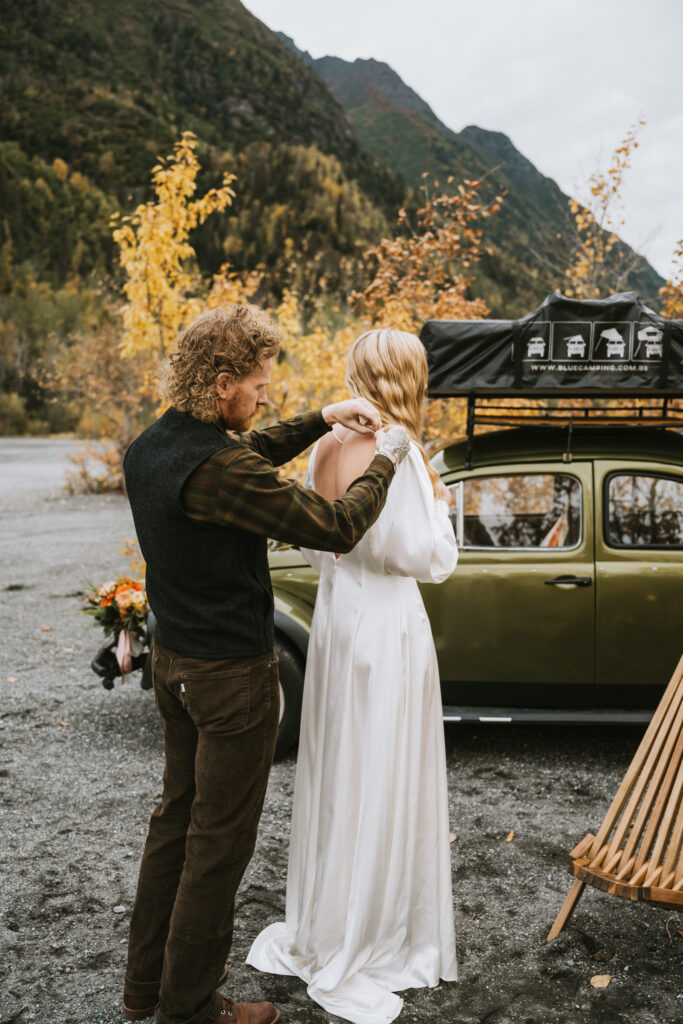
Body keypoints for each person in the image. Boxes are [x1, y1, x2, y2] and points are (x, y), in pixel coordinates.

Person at [121, 305, 411, 1024]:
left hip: (174, 665)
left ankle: (143, 988)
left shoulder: (153, 445)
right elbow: (335, 526)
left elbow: (248, 456)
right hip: (230, 680)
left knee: (174, 824)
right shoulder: (216, 468)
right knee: (217, 847)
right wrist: (387, 460)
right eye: (255, 384)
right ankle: (189, 1008)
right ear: (220, 384)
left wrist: (321, 417)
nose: (263, 396)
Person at [247, 328, 459, 1024]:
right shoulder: (398, 449)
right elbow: (424, 558)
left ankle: (326, 921)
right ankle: (374, 934)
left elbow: (318, 546)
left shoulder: (329, 446)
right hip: (388, 627)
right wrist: (442, 516)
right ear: (409, 377)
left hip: (339, 621)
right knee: (384, 772)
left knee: (341, 773)